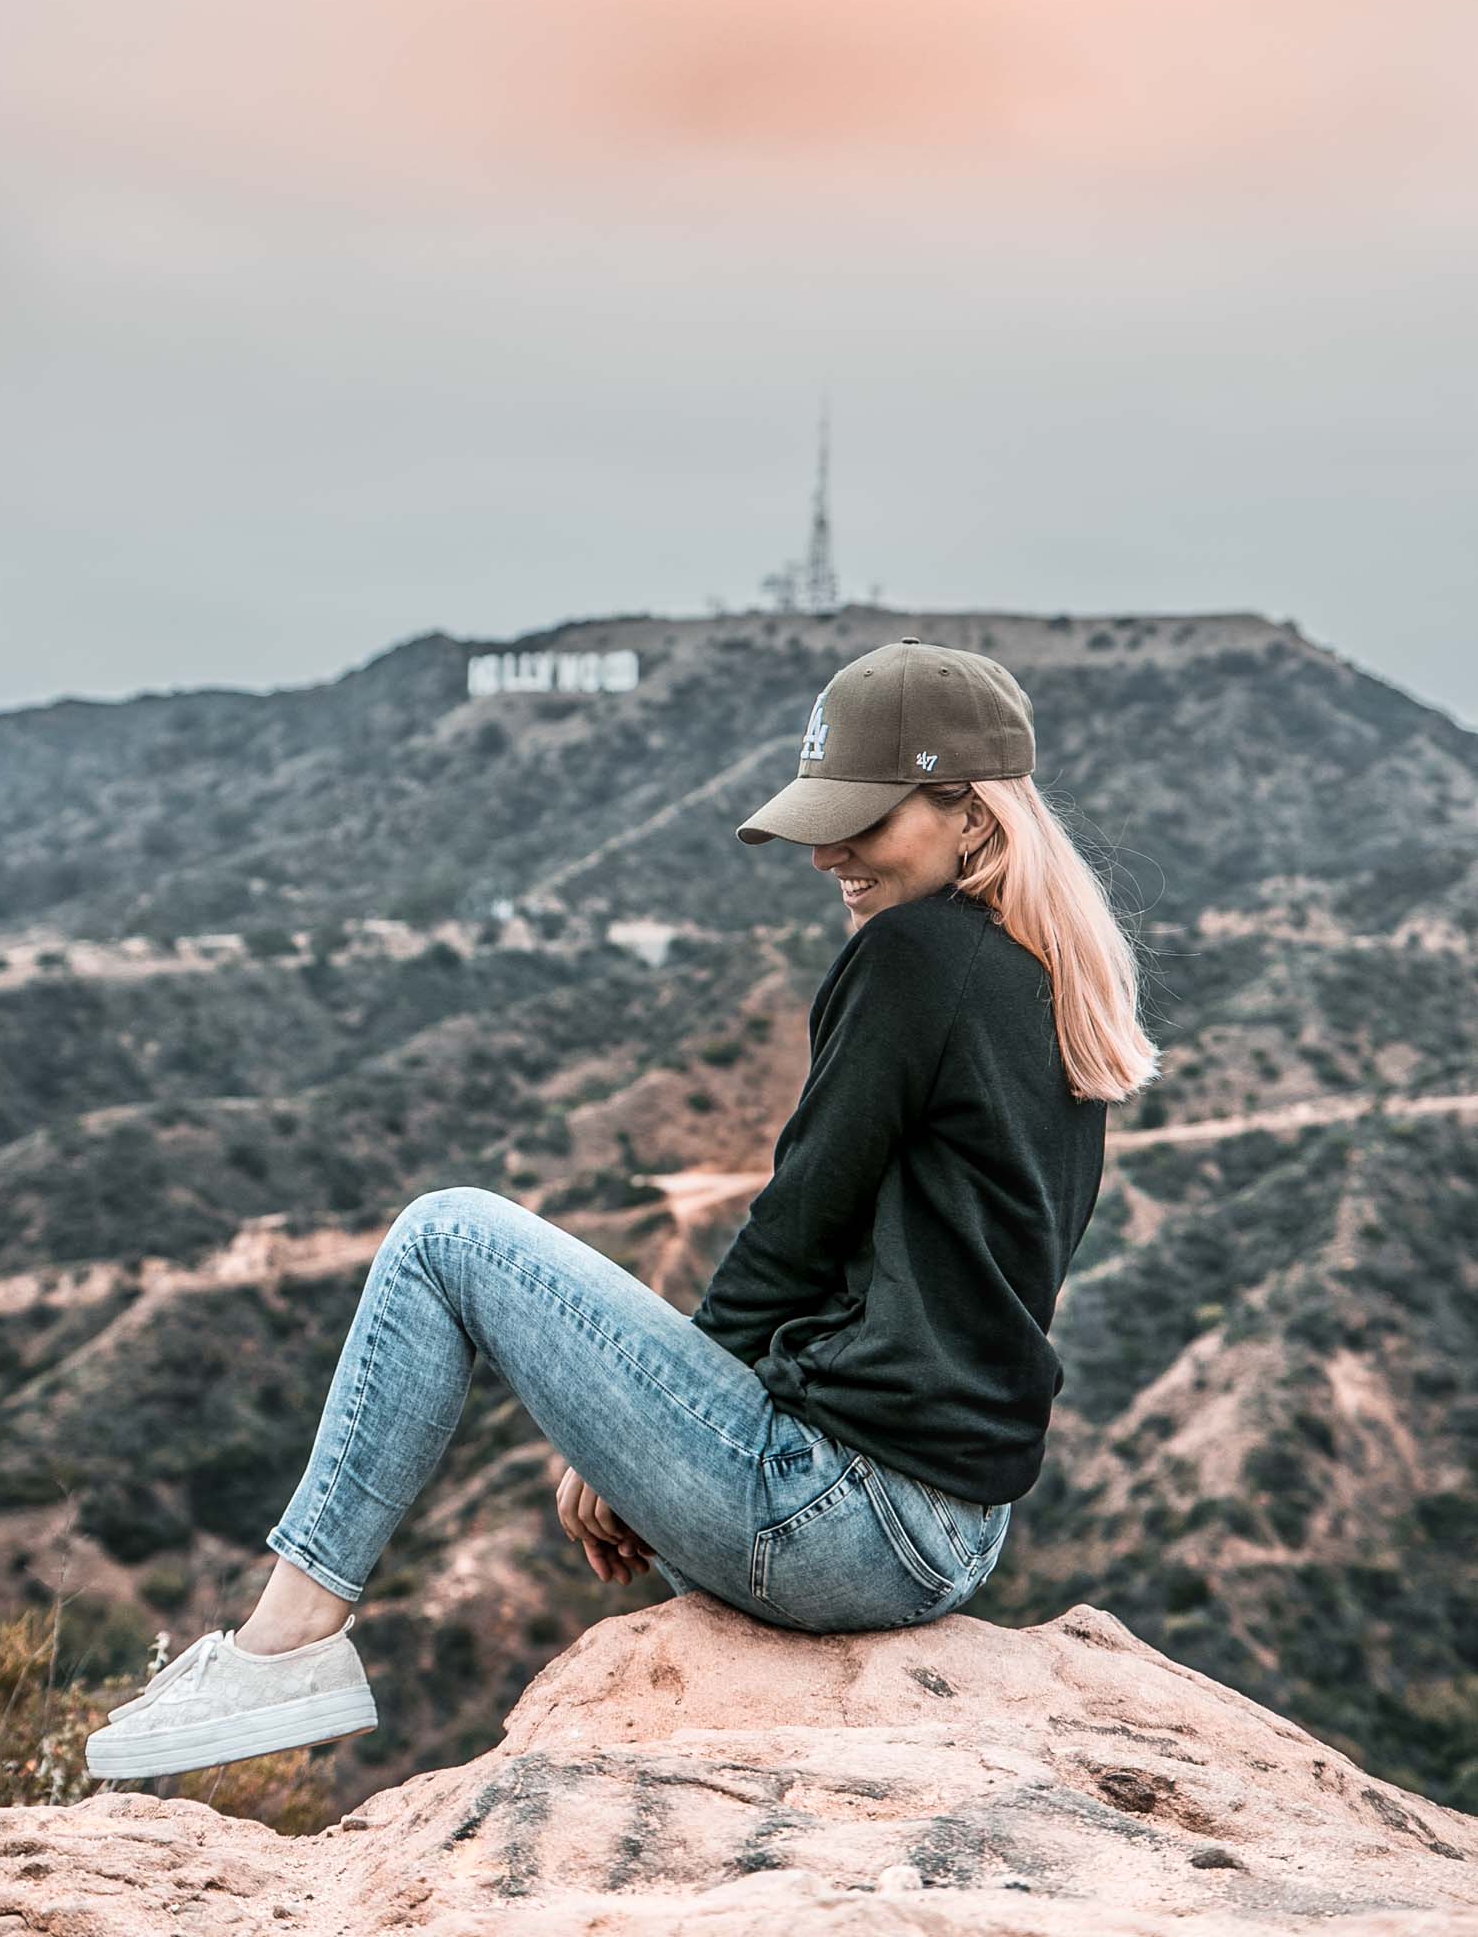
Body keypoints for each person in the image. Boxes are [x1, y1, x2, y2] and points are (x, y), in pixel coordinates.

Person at [85, 637, 1160, 1783]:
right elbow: (888, 1274)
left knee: (444, 1236)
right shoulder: (1049, 980)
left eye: (866, 821)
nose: (830, 855)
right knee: (469, 1247)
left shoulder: (915, 956)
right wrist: (643, 1436)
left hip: (840, 1523)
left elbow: (798, 1228)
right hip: (951, 1537)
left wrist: (636, 1441)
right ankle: (282, 1648)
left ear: (975, 817)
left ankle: (285, 1646)